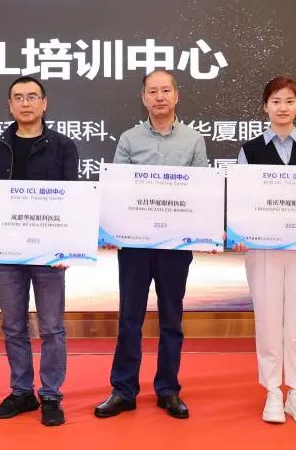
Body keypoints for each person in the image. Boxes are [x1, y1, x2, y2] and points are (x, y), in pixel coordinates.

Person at [94, 70, 208, 420]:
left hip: (175, 246)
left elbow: (201, 191)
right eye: (153, 91)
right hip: (136, 247)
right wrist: (113, 231)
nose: (160, 97)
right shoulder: (129, 139)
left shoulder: (194, 140)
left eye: (166, 90)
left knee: (172, 319)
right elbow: (118, 191)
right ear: (143, 98)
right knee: (130, 318)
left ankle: (168, 389)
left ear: (176, 95)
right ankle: (123, 390)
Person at [0, 76, 79, 427]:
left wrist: (68, 246)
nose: (25, 103)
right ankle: (21, 391)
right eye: (18, 98)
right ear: (9, 106)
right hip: (7, 251)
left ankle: (50, 395)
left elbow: (71, 199)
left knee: (52, 327)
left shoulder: (63, 146)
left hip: (48, 252)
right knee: (13, 325)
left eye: (32, 97)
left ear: (44, 104)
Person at [232, 76, 296, 425]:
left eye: (289, 101)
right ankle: (273, 390)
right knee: (268, 318)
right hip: (263, 249)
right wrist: (240, 232)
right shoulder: (250, 150)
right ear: (265, 106)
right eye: (276, 101)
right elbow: (241, 200)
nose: (283, 107)